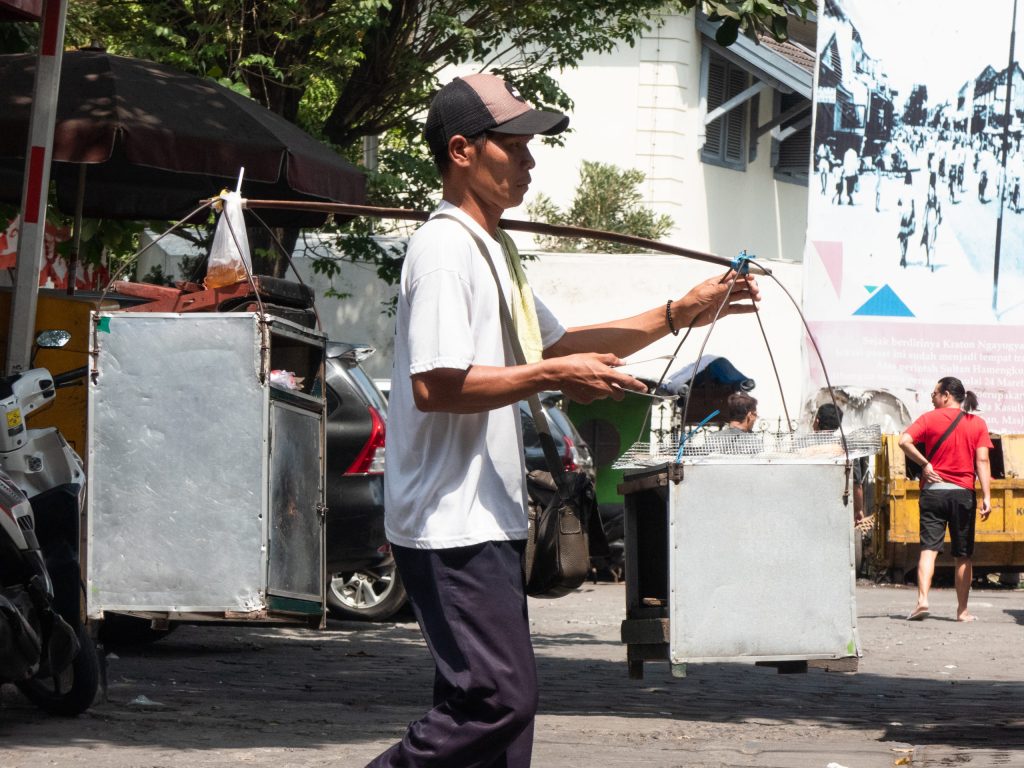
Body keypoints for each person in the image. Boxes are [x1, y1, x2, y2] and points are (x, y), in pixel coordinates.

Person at [368, 72, 760, 768]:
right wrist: (553, 377)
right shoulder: (445, 249)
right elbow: (436, 385)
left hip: (483, 516)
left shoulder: (494, 250)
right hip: (447, 520)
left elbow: (559, 345)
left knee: (500, 723)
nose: (529, 161)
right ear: (462, 151)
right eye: (513, 145)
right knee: (496, 704)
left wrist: (680, 313)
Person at [898, 377, 992, 623]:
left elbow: (903, 441)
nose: (932, 397)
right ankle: (962, 612)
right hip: (963, 494)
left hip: (933, 492)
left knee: (928, 549)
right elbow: (982, 461)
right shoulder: (977, 424)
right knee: (963, 555)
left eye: (935, 393)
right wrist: (987, 496)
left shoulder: (928, 419)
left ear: (947, 395)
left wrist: (925, 464)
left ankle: (922, 602)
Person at [813, 403, 866, 523]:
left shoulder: (805, 450)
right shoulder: (847, 452)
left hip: (811, 507)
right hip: (837, 511)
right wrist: (858, 510)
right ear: (838, 425)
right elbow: (857, 485)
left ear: (817, 421)